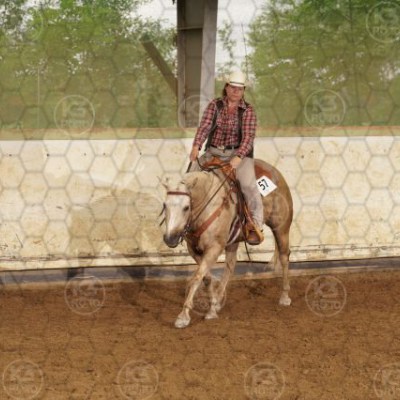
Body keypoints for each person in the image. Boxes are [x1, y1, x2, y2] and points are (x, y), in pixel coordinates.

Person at [189, 70, 264, 245]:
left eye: (240, 88)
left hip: (238, 154)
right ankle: (185, 219)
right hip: (213, 152)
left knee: (249, 186)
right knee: (189, 180)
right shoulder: (215, 105)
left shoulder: (247, 110)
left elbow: (248, 137)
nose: (236, 91)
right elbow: (204, 127)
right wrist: (196, 146)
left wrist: (238, 156)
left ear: (243, 91)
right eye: (233, 87)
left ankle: (255, 224)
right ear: (226, 87)